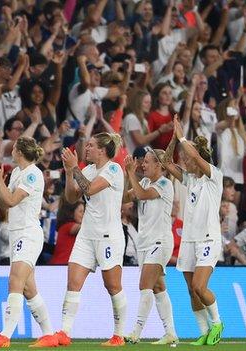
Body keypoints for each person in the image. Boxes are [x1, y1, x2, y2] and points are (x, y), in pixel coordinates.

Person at [0, 137, 57, 348]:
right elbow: (4, 203)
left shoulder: (33, 174)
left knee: (14, 281)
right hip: (17, 234)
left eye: (13, 148)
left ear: (21, 152)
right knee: (28, 289)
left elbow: (13, 200)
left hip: (28, 234)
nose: (11, 150)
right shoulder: (17, 173)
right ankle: (49, 335)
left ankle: (5, 336)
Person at [55, 132, 127, 347]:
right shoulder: (88, 169)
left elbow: (89, 189)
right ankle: (64, 333)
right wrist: (70, 172)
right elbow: (71, 197)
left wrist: (75, 166)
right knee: (73, 282)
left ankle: (119, 335)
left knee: (112, 285)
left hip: (108, 236)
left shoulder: (113, 169)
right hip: (87, 235)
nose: (86, 149)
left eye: (91, 146)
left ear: (103, 151)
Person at [161, 117, 223, 345]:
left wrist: (182, 137)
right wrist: (173, 139)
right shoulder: (189, 180)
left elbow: (195, 156)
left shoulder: (214, 176)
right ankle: (204, 331)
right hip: (189, 240)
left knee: (200, 286)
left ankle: (217, 323)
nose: (185, 159)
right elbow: (166, 162)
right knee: (191, 290)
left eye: (187, 156)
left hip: (208, 239)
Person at [124, 148, 178, 345]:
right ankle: (170, 332)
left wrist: (131, 172)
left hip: (160, 241)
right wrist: (125, 173)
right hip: (144, 242)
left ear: (159, 165)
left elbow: (142, 195)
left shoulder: (164, 184)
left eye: (147, 162)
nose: (143, 165)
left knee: (144, 285)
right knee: (158, 287)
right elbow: (126, 197)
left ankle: (136, 332)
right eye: (142, 162)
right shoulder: (145, 181)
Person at [49, 197, 84, 265]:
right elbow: (84, 229)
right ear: (71, 213)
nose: (83, 214)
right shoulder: (69, 226)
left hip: (65, 265)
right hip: (62, 265)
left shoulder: (64, 226)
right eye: (80, 211)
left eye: (84, 211)